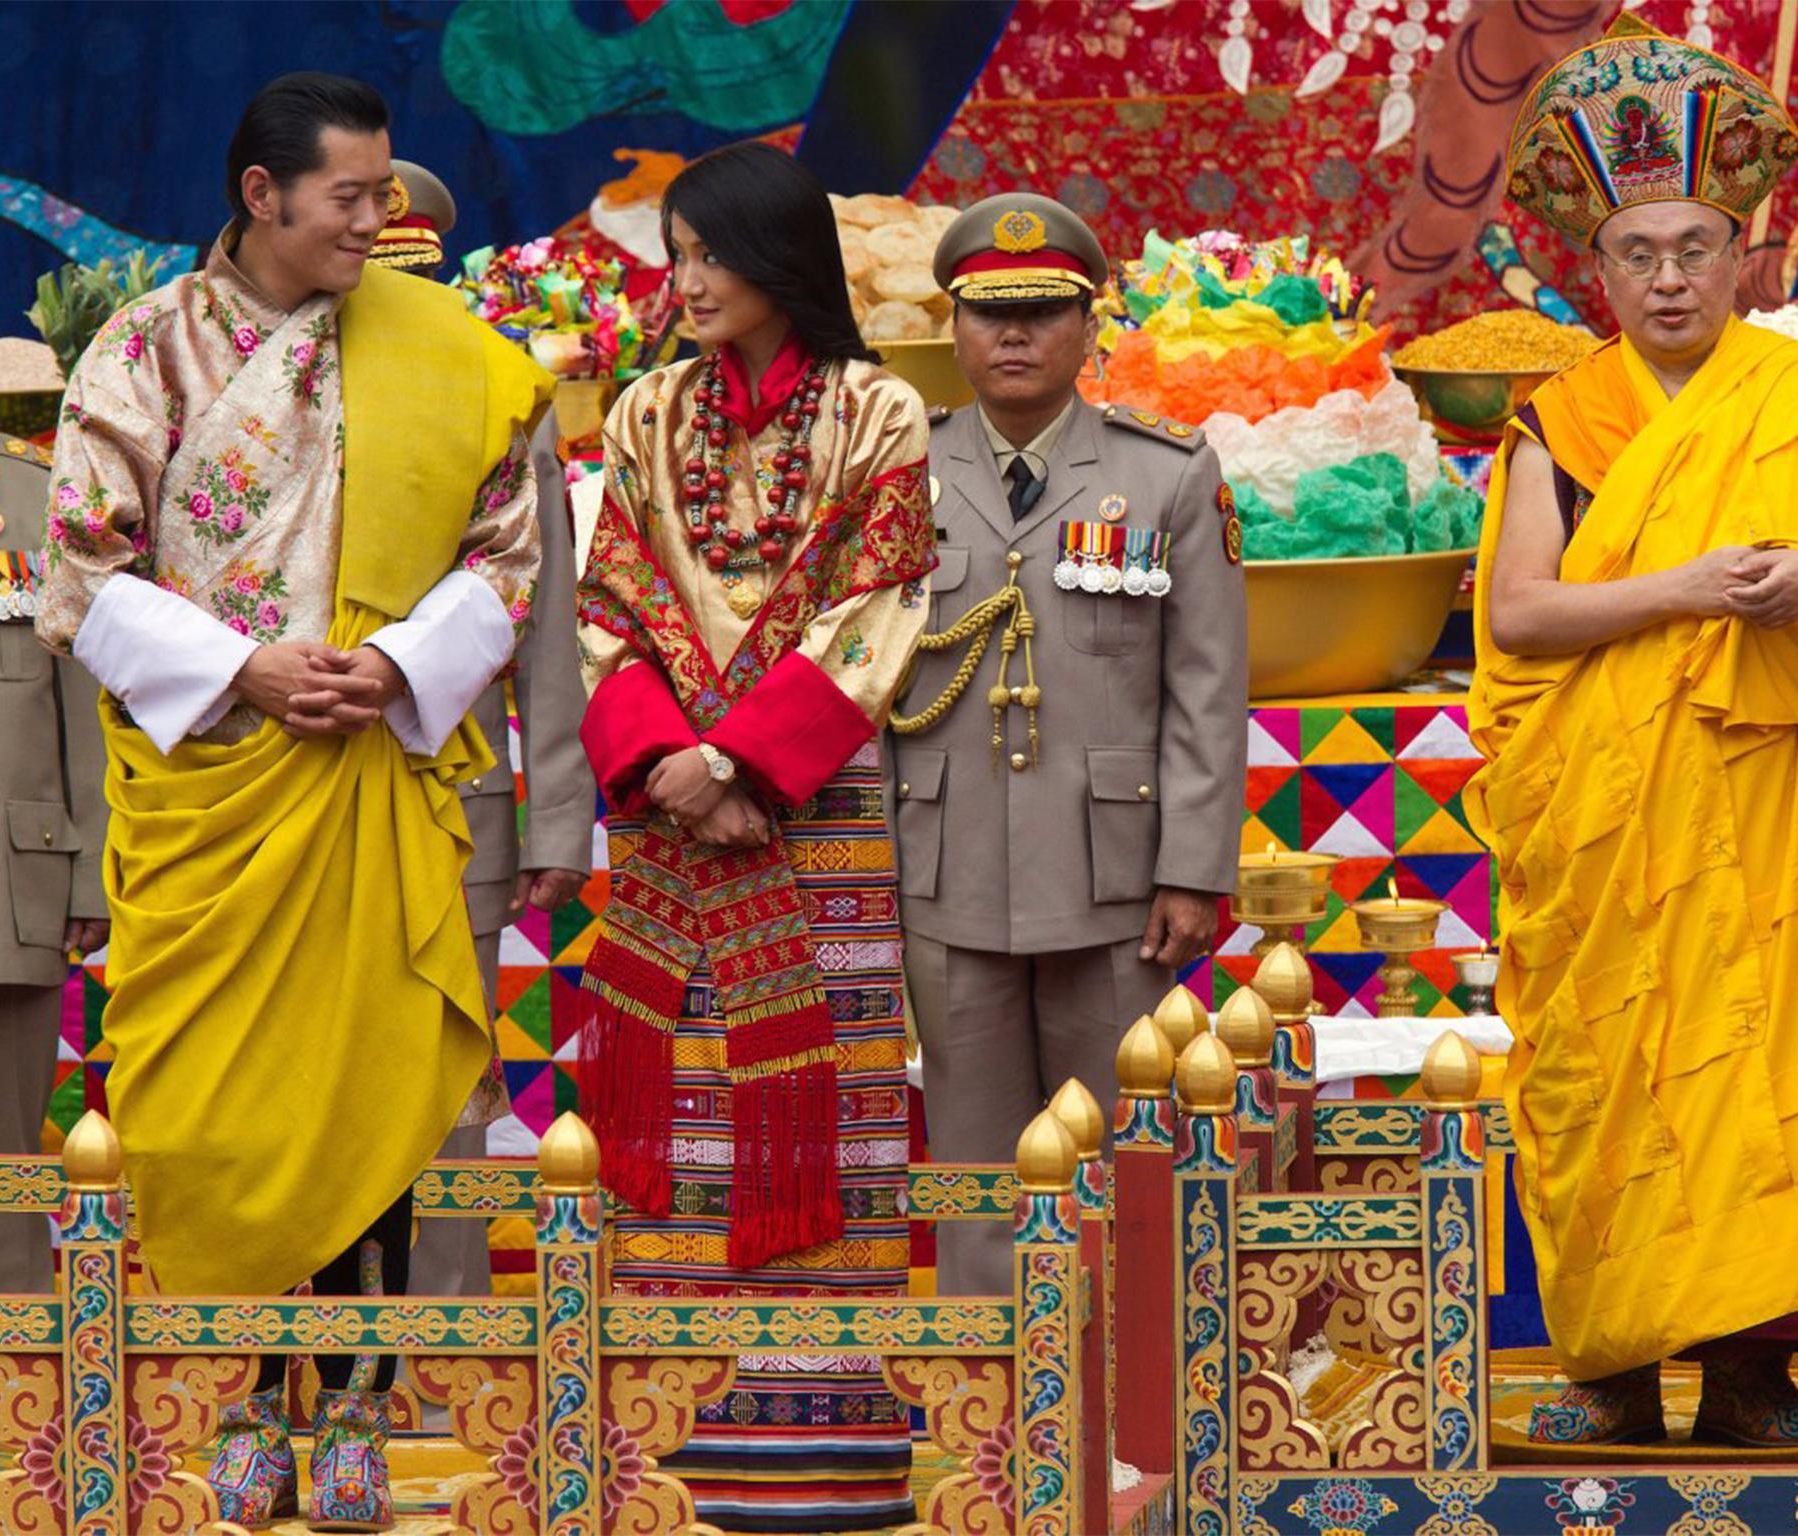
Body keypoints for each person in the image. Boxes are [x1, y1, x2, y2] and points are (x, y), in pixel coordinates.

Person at [36, 74, 551, 1527]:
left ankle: (362, 1401)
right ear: (261, 196)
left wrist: (390, 666)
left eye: (387, 191)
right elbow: (83, 567)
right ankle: (258, 1381)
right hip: (212, 784)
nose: (379, 218)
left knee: (366, 1088)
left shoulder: (449, 352)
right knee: (222, 1108)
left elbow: (508, 557)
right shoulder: (145, 352)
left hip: (372, 772)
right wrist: (245, 669)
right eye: (352, 196)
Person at [1475, 14, 1798, 1448]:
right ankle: (1612, 1366)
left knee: (1763, 1081)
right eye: (1640, 253)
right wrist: (1689, 588)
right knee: (1612, 1079)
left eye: (1696, 248)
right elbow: (1519, 619)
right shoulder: (1558, 419)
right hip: (1608, 819)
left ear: (1747, 252)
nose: (1670, 278)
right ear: (1600, 265)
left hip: (1772, 818)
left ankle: (1753, 1369)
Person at [574, 141, 932, 1534]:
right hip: (671, 801)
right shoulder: (645, 412)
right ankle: (668, 1422)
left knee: (822, 1082)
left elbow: (881, 605)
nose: (691, 279)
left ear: (782, 259)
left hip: (811, 798)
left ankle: (831, 1423)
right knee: (681, 1084)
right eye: (679, 253)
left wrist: (742, 762)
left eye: (713, 253)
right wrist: (666, 761)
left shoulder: (880, 411)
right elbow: (609, 604)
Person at [889, 193, 1247, 1295]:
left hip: (1114, 876)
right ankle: (993, 1424)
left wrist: (1192, 865)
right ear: (949, 326)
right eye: (988, 312)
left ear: (1090, 326)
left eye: (1043, 310)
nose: (1013, 335)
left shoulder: (1166, 472)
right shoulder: (899, 471)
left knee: (1119, 1156)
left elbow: (1206, 686)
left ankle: (1127, 1408)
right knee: (976, 1162)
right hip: (943, 866)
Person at [368, 158, 594, 1319]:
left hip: (462, 798)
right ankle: (305, 1351)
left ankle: (436, 1345)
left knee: (453, 1081)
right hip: (292, 794)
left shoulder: (499, 398)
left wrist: (557, 808)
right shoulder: (266, 393)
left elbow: (545, 628)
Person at [0, 429, 107, 1295]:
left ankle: (11, 1384)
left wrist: (91, 869)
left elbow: (84, 704)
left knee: (5, 1151)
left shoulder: (33, 496)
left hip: (6, 884)